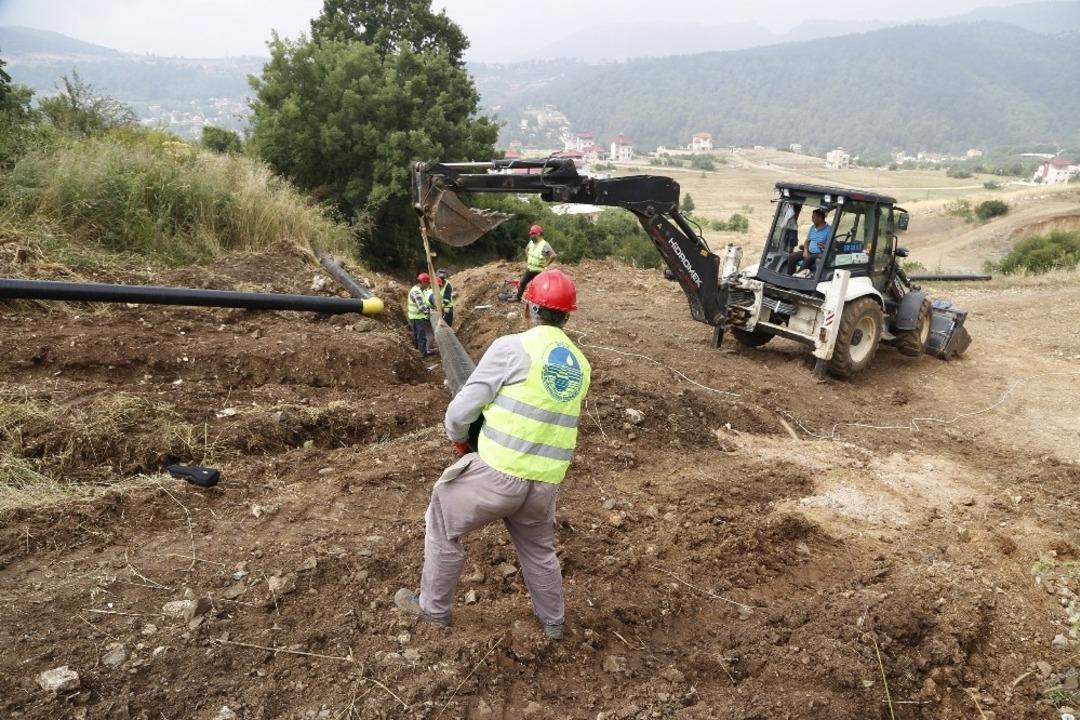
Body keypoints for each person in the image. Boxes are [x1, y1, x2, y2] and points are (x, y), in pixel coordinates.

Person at [395, 269, 591, 640]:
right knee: (539, 552)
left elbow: (460, 411)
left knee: (442, 518)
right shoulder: (581, 365)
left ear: (529, 307)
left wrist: (458, 439)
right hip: (545, 484)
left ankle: (433, 609)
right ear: (567, 315)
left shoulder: (511, 348)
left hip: (498, 475)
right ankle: (553, 623)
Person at [514, 224, 557, 302]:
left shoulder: (545, 244)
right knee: (523, 282)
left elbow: (553, 255)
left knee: (538, 287)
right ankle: (518, 298)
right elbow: (526, 249)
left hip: (539, 271)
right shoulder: (531, 242)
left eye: (533, 234)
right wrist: (528, 258)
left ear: (538, 234)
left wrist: (546, 265)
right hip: (530, 268)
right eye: (530, 234)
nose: (531, 235)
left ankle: (540, 302)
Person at [783, 208, 830, 275]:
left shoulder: (829, 230)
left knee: (809, 258)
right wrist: (805, 251)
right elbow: (807, 241)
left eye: (814, 217)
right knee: (792, 256)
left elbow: (831, 246)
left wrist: (824, 246)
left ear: (820, 218)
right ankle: (789, 275)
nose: (812, 219)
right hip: (809, 251)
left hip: (819, 254)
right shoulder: (812, 228)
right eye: (812, 217)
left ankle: (797, 275)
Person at [407, 272, 435, 358]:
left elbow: (423, 303)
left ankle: (418, 353)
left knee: (417, 335)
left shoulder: (418, 290)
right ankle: (422, 355)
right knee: (421, 336)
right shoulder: (416, 292)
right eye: (427, 283)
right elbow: (421, 307)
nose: (428, 285)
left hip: (415, 317)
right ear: (423, 282)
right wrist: (431, 312)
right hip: (417, 318)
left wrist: (430, 309)